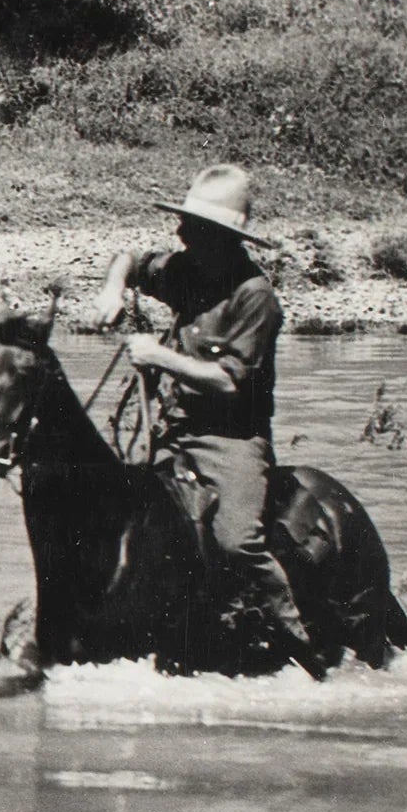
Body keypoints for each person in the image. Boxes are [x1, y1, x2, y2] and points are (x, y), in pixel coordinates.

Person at [95, 162, 324, 676]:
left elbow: (229, 380)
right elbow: (129, 259)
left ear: (222, 236)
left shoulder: (255, 296)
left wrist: (159, 358)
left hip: (230, 439)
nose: (179, 233)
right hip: (171, 431)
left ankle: (303, 646)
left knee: (235, 541)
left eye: (192, 226)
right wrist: (113, 288)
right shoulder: (187, 270)